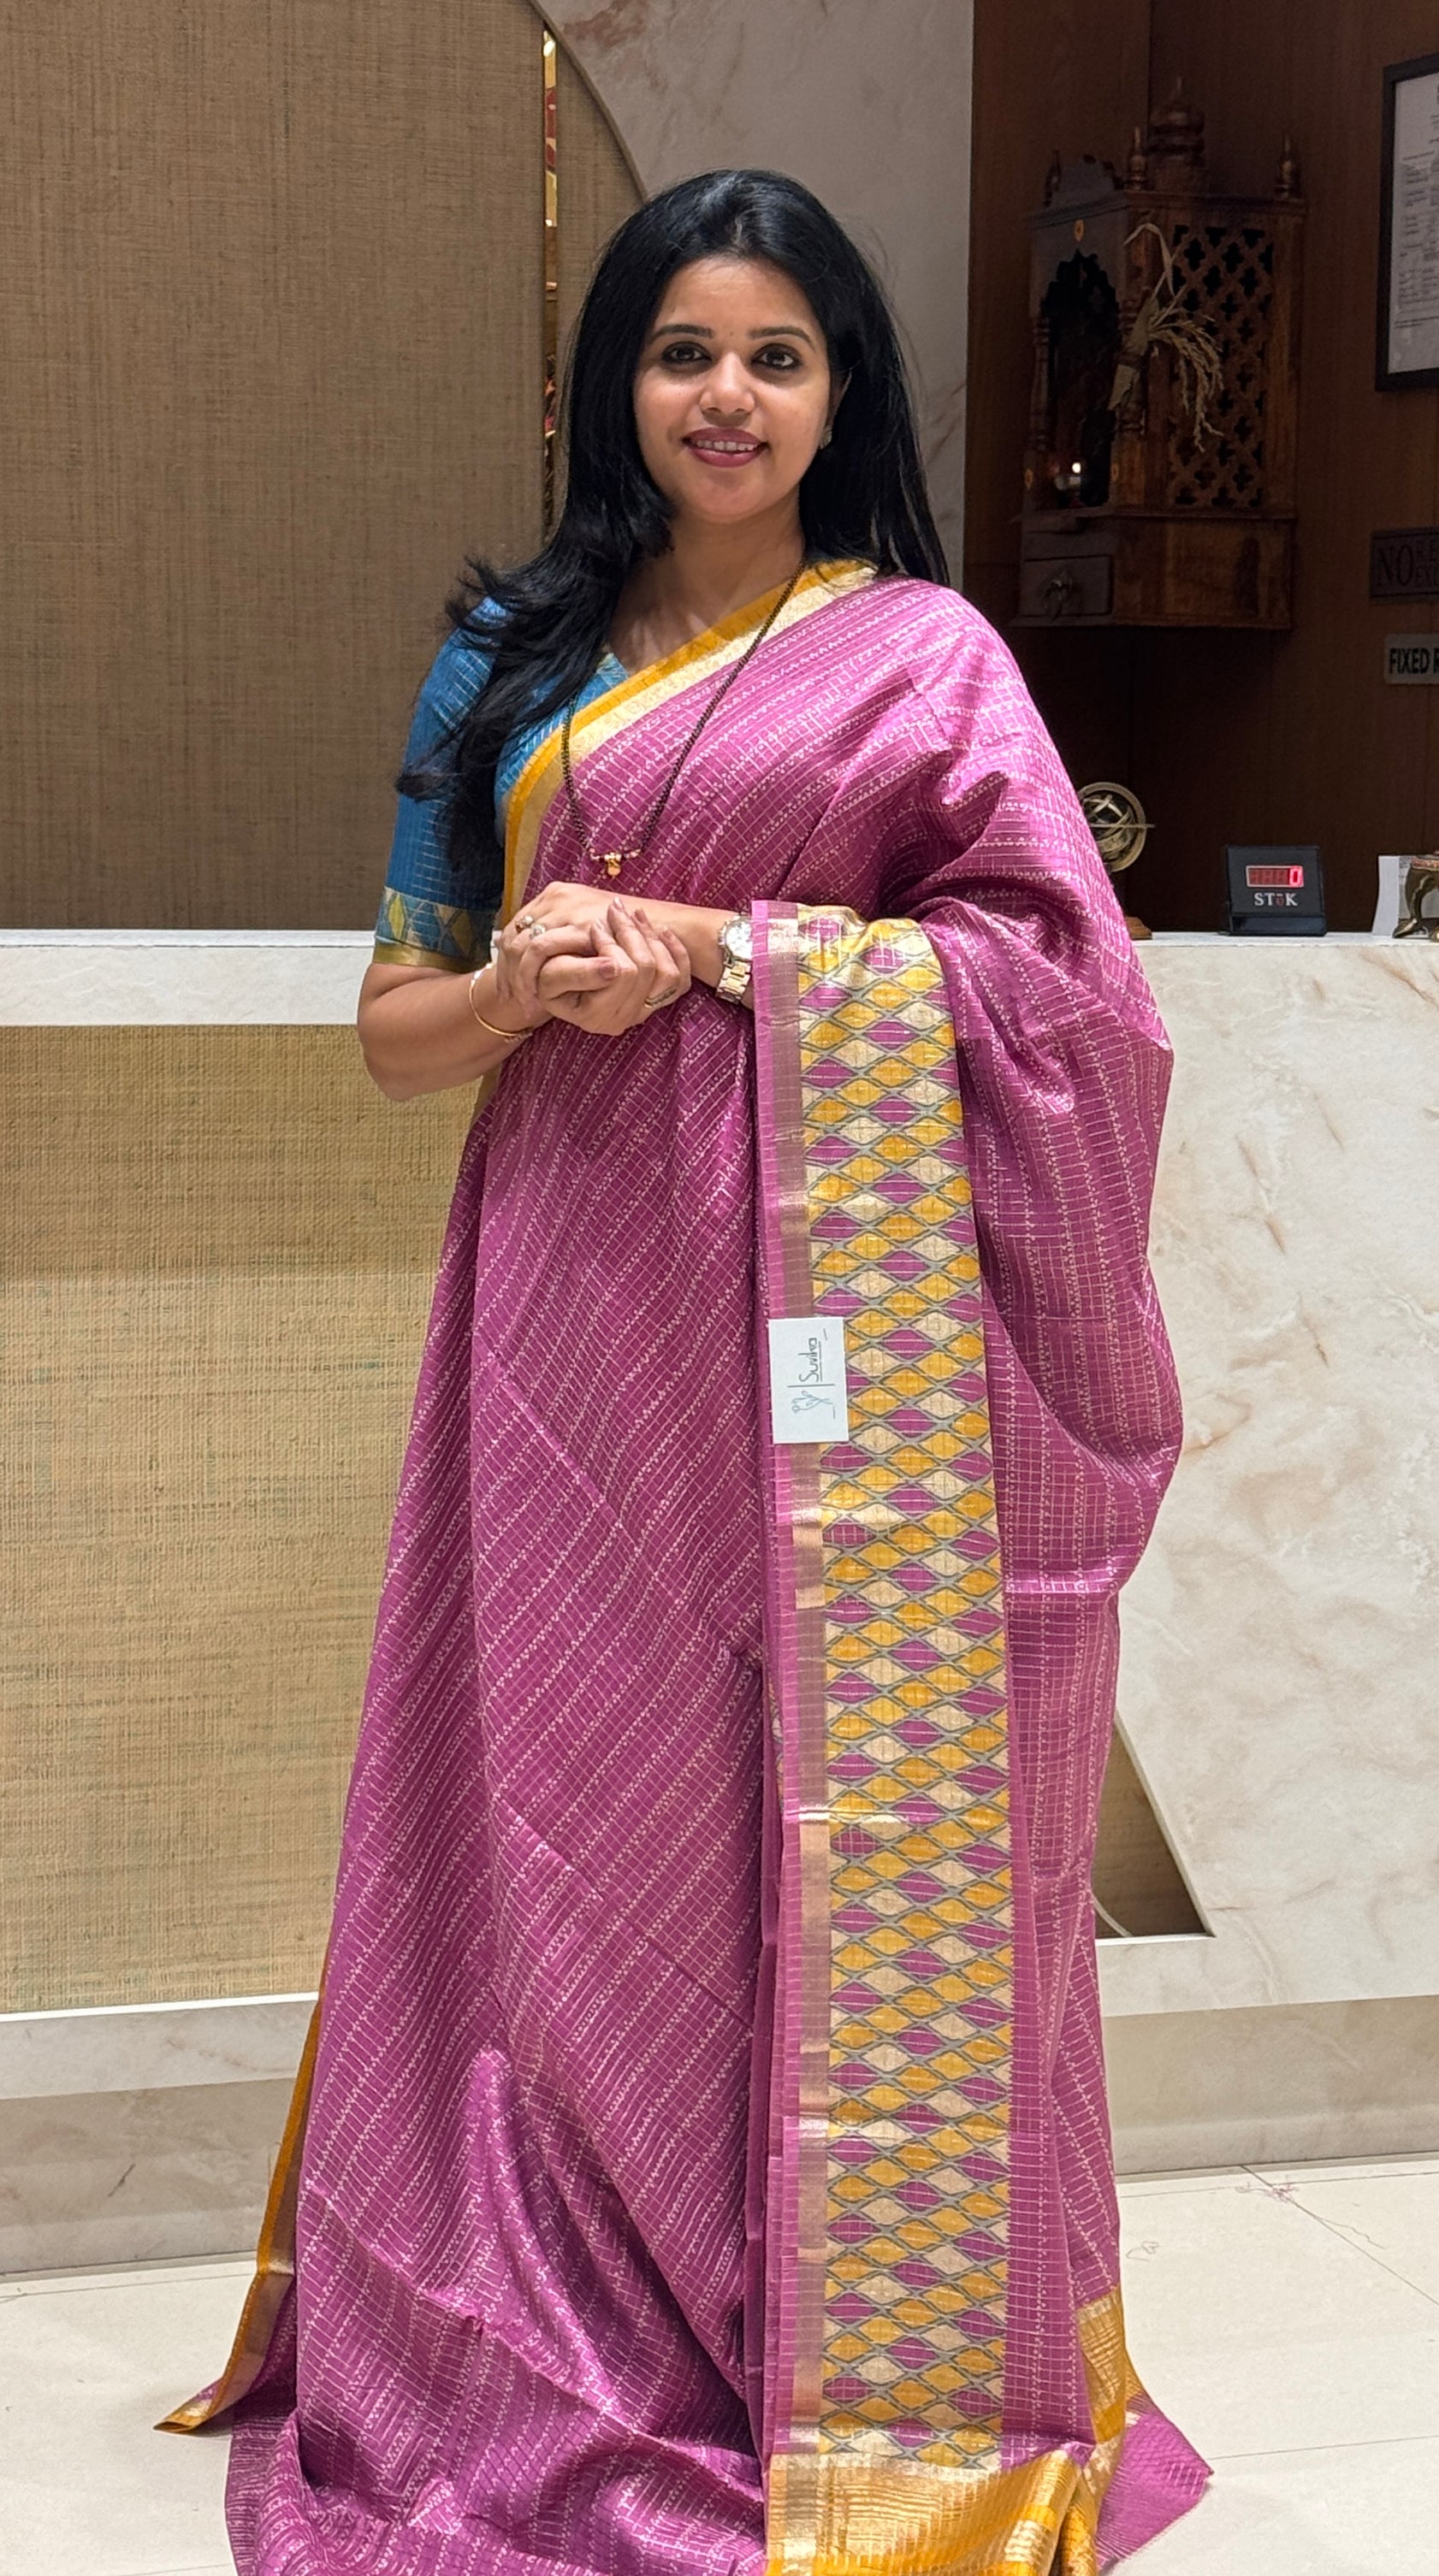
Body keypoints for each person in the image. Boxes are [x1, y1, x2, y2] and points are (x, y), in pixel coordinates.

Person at [163, 169, 1208, 2574]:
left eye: (774, 356)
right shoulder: (506, 663)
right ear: (612, 380)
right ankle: (566, 2331)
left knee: (806, 1798)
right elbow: (394, 1036)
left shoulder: (928, 657)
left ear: (842, 396)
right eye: (680, 351)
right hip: (566, 1322)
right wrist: (524, 984)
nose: (725, 397)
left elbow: (1069, 998)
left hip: (849, 1342)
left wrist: (733, 948)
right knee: (570, 1801)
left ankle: (834, 2346)